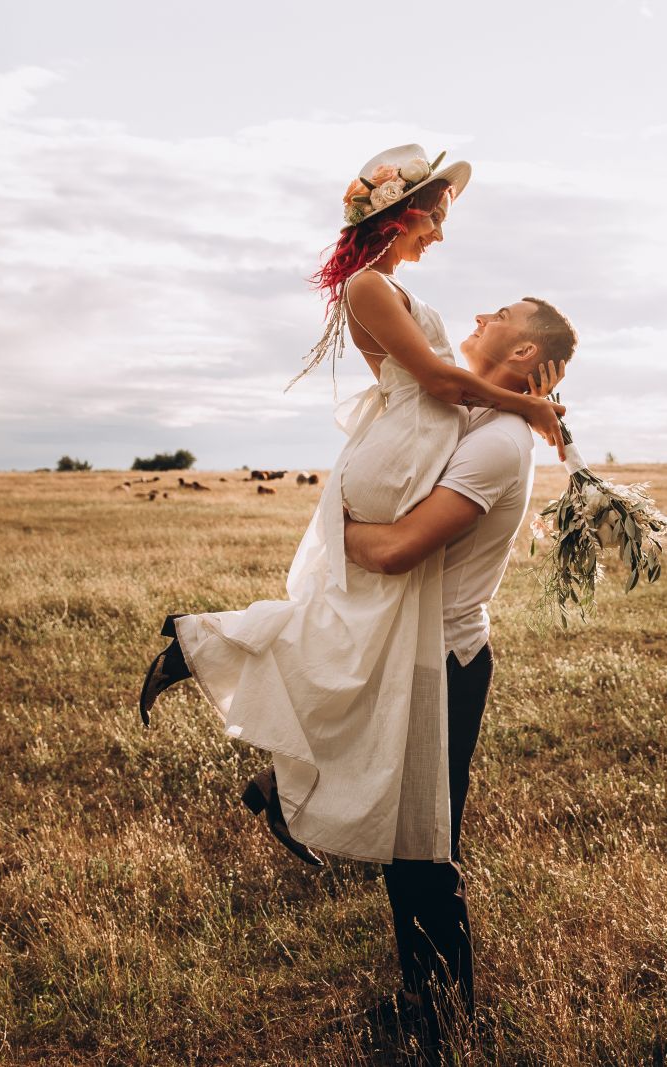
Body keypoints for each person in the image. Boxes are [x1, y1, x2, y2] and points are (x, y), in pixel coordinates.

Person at [138, 145, 566, 868]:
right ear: (399, 214)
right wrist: (525, 407)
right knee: (364, 617)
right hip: (397, 453)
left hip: (417, 442)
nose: (440, 233)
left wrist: (522, 398)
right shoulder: (367, 286)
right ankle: (203, 644)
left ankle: (283, 780)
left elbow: (454, 391)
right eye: (435, 217)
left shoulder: (387, 287)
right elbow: (437, 382)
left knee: (363, 630)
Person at [344, 295, 578, 1041]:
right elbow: (377, 339)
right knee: (403, 845)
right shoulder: (467, 410)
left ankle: (444, 1023)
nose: (479, 314)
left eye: (501, 312)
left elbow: (396, 549)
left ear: (524, 352)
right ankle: (426, 1003)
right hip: (410, 651)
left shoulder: (500, 442)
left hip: (444, 661)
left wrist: (334, 527)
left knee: (423, 850)